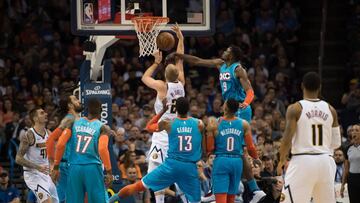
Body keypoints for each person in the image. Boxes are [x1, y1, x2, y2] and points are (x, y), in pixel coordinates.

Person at [175, 46, 266, 202]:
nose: (224, 51)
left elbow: (250, 91)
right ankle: (251, 189)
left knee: (238, 151)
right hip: (229, 107)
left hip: (239, 107)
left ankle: (250, 188)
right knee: (230, 148)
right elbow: (198, 61)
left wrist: (245, 103)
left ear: (232, 54)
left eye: (227, 50)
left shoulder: (238, 69)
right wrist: (179, 55)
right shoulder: (220, 64)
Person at [109, 97, 204, 203]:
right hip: (189, 167)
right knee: (196, 201)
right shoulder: (199, 124)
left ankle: (109, 201)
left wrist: (163, 111)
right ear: (189, 108)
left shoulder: (169, 123)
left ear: (175, 109)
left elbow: (149, 127)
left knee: (139, 186)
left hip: (171, 165)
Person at [277, 72, 341, 203]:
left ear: (302, 86)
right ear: (320, 87)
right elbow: (336, 143)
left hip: (303, 160)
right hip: (326, 161)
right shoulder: (331, 109)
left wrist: (281, 160)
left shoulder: (295, 108)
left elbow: (287, 139)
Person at [141, 25, 185, 203]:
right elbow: (180, 59)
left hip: (162, 133)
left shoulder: (162, 86)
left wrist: (155, 63)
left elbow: (144, 78)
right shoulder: (181, 82)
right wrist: (180, 39)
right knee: (179, 172)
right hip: (176, 133)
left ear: (165, 74)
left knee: (154, 171)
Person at [51, 98, 113, 203]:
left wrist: (56, 166)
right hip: (93, 168)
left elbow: (60, 144)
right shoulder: (103, 128)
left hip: (74, 167)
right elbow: (102, 149)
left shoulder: (74, 123)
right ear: (101, 110)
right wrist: (109, 171)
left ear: (87, 110)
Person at [205, 99, 250, 203]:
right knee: (231, 199)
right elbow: (250, 147)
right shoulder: (244, 124)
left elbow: (210, 148)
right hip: (237, 162)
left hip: (221, 160)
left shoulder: (215, 122)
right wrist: (256, 158)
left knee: (221, 199)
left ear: (225, 108)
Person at [15, 107, 59, 203]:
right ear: (35, 118)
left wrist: (52, 167)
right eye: (42, 113)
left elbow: (52, 155)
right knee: (48, 202)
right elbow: (18, 158)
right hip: (33, 174)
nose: (46, 114)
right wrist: (37, 167)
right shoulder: (29, 135)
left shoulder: (49, 133)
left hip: (45, 173)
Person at [46, 93, 82, 203]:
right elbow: (51, 139)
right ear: (70, 105)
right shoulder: (69, 119)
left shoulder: (78, 119)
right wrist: (52, 164)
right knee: (61, 200)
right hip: (65, 165)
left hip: (73, 165)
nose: (79, 101)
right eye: (75, 100)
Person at [341, 124, 360, 203]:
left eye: (357, 130)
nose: (354, 132)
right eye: (352, 130)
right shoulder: (348, 148)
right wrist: (342, 185)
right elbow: (346, 169)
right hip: (352, 179)